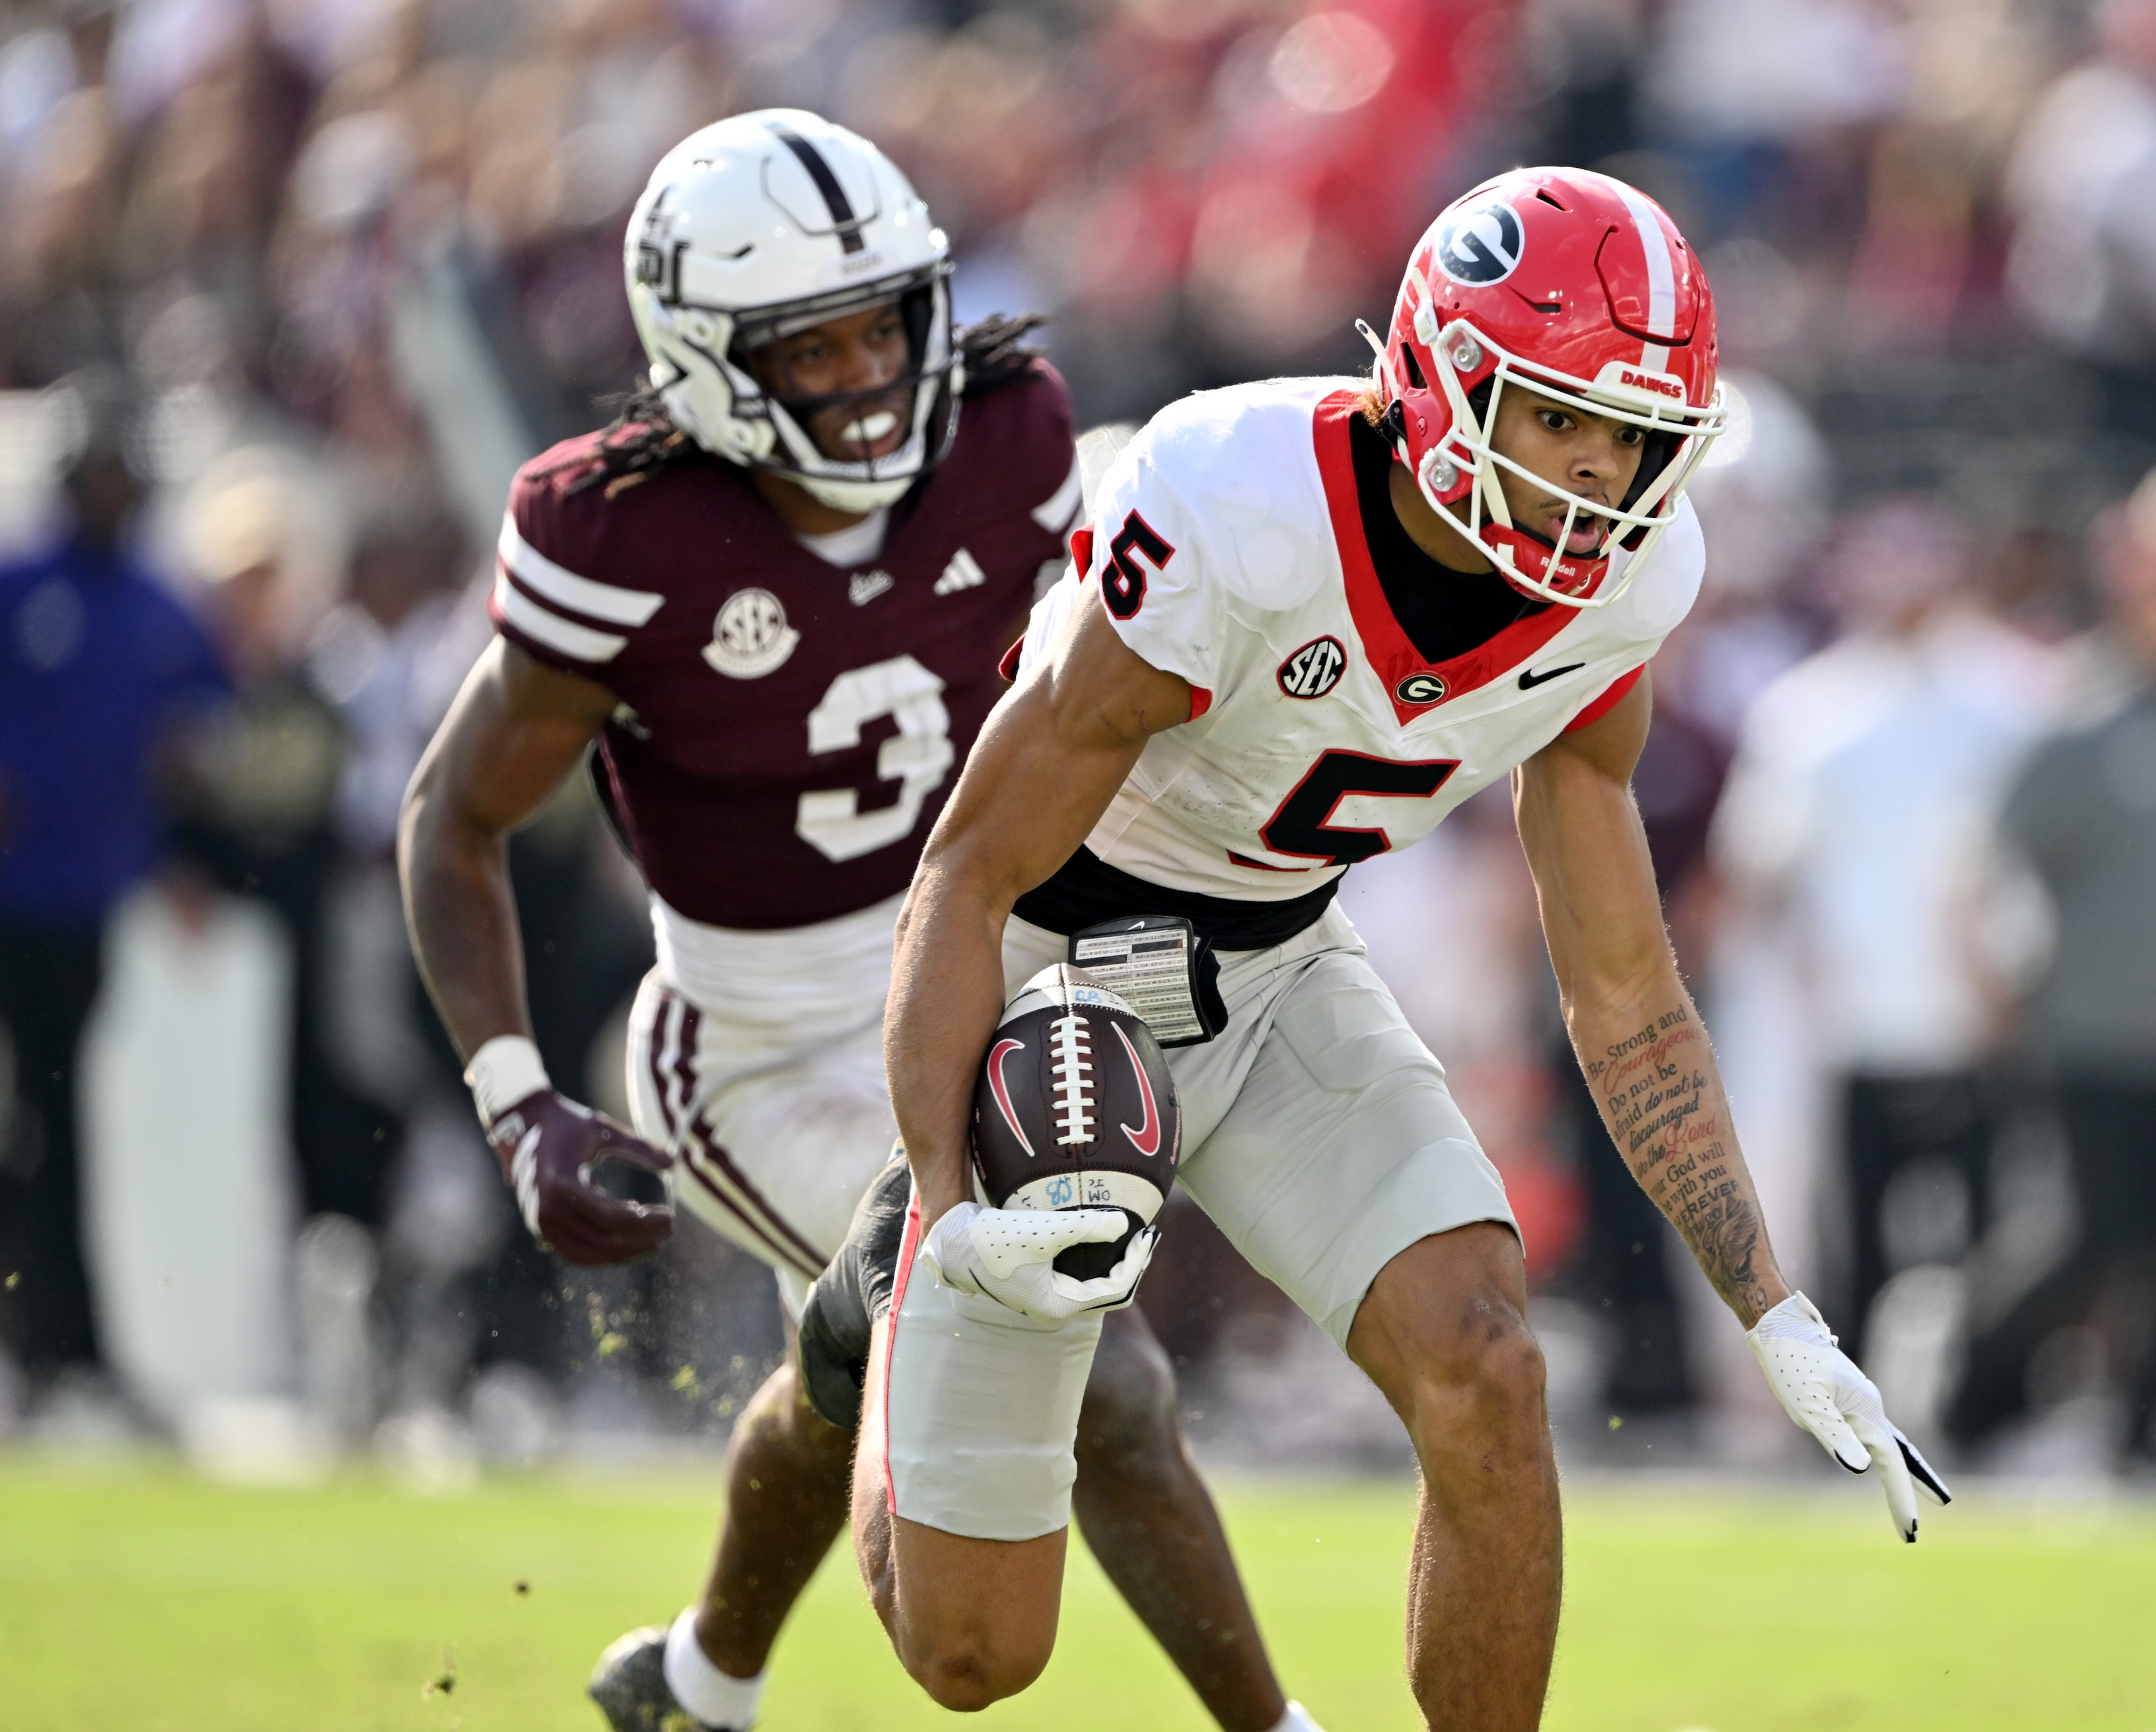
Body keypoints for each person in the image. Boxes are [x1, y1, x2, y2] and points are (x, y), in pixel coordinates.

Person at [826, 167, 1948, 1728]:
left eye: (1630, 436)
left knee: (1490, 1365)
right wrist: (946, 1202)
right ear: (1438, 372)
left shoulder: (1624, 583)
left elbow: (1622, 987)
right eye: (1558, 418)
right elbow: (966, 867)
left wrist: (1771, 1305)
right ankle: (858, 1313)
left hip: (1281, 963)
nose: (1596, 474)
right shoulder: (1230, 499)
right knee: (973, 1657)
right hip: (1053, 979)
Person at [397, 112, 1314, 1732]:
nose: (870, 374)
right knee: (1091, 1364)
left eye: (884, 322)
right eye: (809, 348)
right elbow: (451, 814)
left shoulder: (1013, 431)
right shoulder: (616, 533)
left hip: (985, 971)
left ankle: (694, 1681)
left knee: (854, 1372)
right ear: (701, 360)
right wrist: (514, 1099)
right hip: (754, 1044)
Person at [0, 402, 231, 1392]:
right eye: (95, 473)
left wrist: (192, 789)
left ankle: (16, 1326)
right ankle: (43, 1336)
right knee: (24, 1114)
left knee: (41, 1119)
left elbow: (217, 723)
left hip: (90, 898)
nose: (109, 492)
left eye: (122, 476)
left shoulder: (157, 606)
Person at [1943, 478, 2156, 1457]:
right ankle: (1974, 1365)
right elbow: (1986, 861)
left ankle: (2146, 1434)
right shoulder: (2086, 721)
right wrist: (1994, 984)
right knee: (2100, 1237)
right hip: (2094, 1034)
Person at [1712, 497, 2056, 1344]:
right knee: (1854, 1236)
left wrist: (2012, 972)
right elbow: (1760, 864)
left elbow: (2035, 859)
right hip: (1855, 1022)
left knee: (1989, 1224)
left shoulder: (2016, 697)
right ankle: (1847, 1411)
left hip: (1979, 1015)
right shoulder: (1810, 709)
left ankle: (1988, 1405)